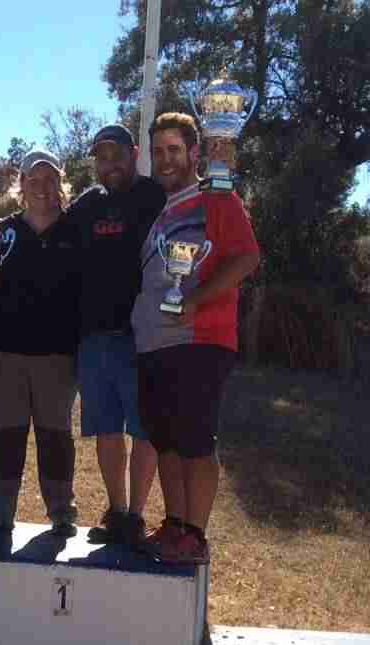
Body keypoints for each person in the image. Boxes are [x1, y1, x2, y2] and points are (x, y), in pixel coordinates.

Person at [130, 113, 261, 564]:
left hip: (199, 340)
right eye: (158, 151)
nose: (165, 160)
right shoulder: (163, 211)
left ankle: (196, 536)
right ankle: (175, 526)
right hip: (156, 344)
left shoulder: (216, 197)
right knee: (165, 441)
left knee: (195, 442)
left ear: (193, 153)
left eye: (174, 150)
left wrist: (196, 300)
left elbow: (246, 257)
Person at [0, 149, 81, 537]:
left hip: (58, 355)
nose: (42, 187)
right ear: (21, 185)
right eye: (33, 180)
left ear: (60, 184)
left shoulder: (75, 229)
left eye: (50, 179)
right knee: (7, 434)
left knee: (55, 435)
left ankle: (62, 510)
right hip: (4, 353)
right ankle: (0, 510)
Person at [68, 124, 166, 546]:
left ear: (133, 153)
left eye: (116, 155)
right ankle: (117, 510)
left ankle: (138, 515)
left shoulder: (152, 195)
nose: (109, 165)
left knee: (144, 429)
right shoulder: (88, 204)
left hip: (141, 336)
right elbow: (52, 224)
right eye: (101, 157)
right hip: (94, 338)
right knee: (106, 429)